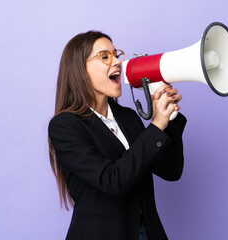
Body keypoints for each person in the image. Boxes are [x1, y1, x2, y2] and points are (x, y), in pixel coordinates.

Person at [48, 31, 187, 240]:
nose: (118, 62)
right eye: (105, 56)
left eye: (116, 55)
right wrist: (156, 125)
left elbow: (170, 170)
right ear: (80, 70)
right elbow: (112, 181)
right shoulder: (64, 126)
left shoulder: (128, 117)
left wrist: (170, 118)